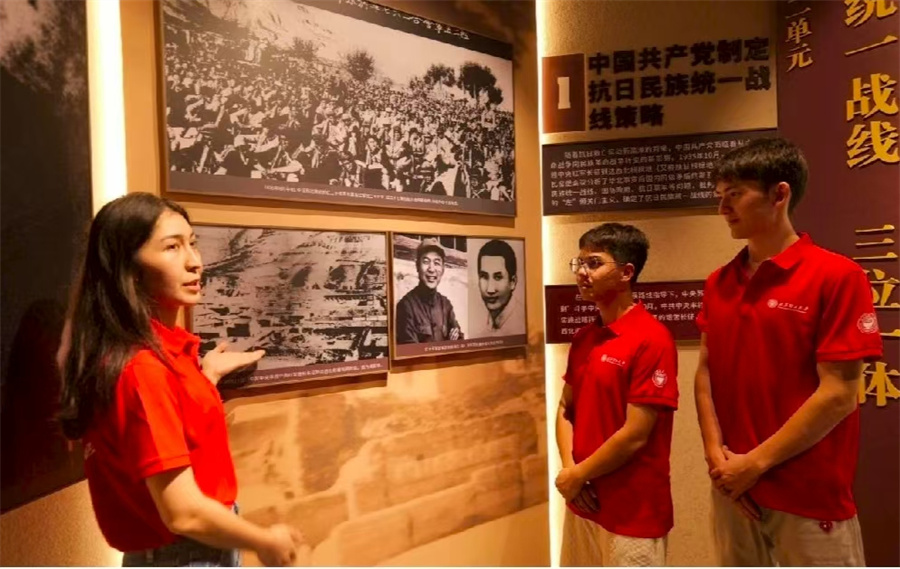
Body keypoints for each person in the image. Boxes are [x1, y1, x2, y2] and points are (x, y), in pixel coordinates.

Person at [58, 193, 304, 566]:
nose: (195, 262)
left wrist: (206, 377)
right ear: (129, 269)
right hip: (184, 553)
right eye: (172, 247)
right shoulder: (144, 370)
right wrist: (266, 540)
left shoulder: (153, 354)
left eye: (192, 243)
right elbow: (183, 513)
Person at [695, 137, 883, 566]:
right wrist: (716, 457)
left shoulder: (838, 276)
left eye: (734, 194)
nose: (722, 207)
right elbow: (705, 370)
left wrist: (753, 465)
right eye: (720, 195)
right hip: (732, 490)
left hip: (807, 493)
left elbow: (838, 394)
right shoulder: (718, 281)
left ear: (779, 194)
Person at [555, 223, 678, 567]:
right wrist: (572, 473)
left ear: (626, 272)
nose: (582, 272)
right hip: (582, 501)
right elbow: (565, 407)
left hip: (632, 511)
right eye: (579, 263)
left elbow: (636, 434)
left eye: (594, 263)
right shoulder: (584, 338)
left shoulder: (652, 338)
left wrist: (577, 476)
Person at [395, 240, 463, 344]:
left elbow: (459, 341)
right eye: (426, 262)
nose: (431, 269)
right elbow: (410, 350)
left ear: (443, 269)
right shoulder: (406, 306)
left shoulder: (445, 304)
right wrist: (448, 344)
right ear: (417, 266)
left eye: (437, 263)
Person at [473, 239, 525, 337]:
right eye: (484, 276)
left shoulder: (522, 324)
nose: (490, 289)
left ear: (512, 282)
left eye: (498, 277)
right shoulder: (483, 326)